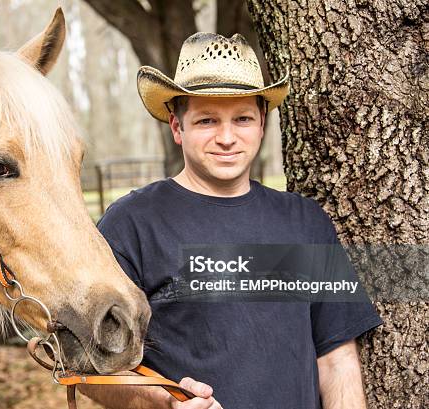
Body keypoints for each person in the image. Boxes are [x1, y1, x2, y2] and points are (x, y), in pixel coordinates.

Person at [80, 32, 383, 409]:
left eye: (242, 119)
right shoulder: (131, 225)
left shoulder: (305, 222)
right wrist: (164, 402)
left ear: (261, 124)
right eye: (207, 120)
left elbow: (337, 360)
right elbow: (90, 364)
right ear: (178, 127)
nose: (227, 138)